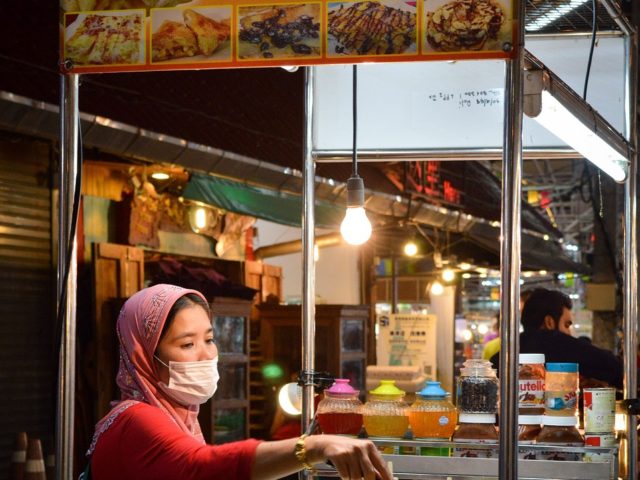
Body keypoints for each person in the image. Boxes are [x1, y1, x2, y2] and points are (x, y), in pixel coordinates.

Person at [87, 284, 392, 480]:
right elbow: (200, 467)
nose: (207, 354)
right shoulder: (137, 420)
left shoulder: (179, 418)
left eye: (209, 339)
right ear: (145, 356)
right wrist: (314, 446)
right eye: (187, 345)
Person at [490, 288, 623, 389]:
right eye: (566, 324)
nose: (569, 333)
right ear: (549, 322)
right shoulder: (556, 342)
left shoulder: (503, 355)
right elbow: (615, 368)